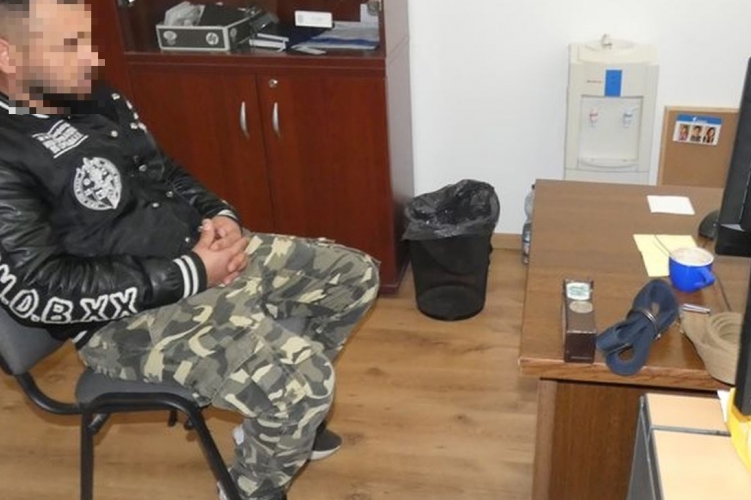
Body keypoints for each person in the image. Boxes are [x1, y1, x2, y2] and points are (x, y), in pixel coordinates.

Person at [0, 2, 380, 500]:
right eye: (70, 46)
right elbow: (38, 290)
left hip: (194, 258)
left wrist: (220, 215)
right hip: (123, 320)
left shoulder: (93, 95)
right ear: (7, 55)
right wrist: (192, 273)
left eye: (87, 40)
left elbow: (165, 172)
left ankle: (278, 428)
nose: (92, 58)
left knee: (354, 276)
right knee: (302, 385)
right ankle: (253, 483)